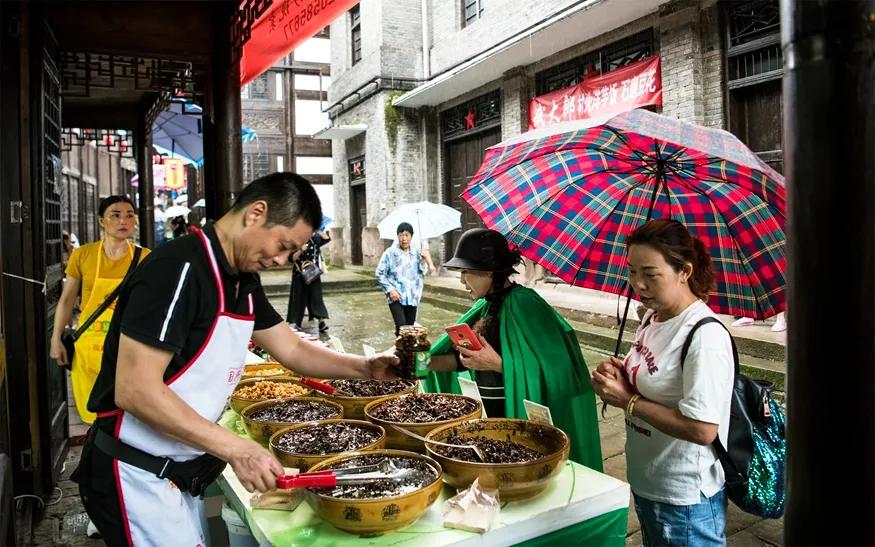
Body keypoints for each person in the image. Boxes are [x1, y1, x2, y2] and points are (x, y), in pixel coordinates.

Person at [73, 173, 399, 545]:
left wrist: (364, 367)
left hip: (176, 469)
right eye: (283, 245)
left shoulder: (242, 279)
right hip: (135, 472)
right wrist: (236, 448)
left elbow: (291, 349)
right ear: (256, 213)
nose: (280, 260)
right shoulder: (178, 268)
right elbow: (135, 389)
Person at [591, 219, 733, 546]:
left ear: (684, 271)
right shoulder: (652, 318)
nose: (638, 284)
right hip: (648, 480)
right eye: (631, 271)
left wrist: (628, 400)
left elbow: (702, 429)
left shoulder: (704, 337)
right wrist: (620, 376)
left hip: (684, 499)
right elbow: (653, 378)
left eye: (651, 274)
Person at [425, 228, 603, 470]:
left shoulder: (527, 305)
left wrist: (496, 364)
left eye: (466, 272)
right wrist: (418, 362)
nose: (461, 280)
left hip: (521, 425)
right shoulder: (485, 307)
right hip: (491, 420)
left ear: (489, 271)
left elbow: (558, 372)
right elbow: (459, 360)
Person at [50, 196, 151, 426]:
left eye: (129, 215)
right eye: (115, 215)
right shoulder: (83, 255)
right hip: (88, 348)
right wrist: (56, 339)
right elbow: (67, 300)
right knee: (92, 417)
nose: (123, 221)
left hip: (127, 348)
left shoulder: (145, 257)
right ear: (101, 221)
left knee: (126, 418)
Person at [375, 222, 433, 335]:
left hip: (412, 297)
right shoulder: (390, 253)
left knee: (409, 330)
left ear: (411, 236)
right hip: (396, 297)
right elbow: (379, 273)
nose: (404, 238)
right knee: (401, 327)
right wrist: (390, 290)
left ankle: (402, 346)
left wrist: (424, 260)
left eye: (407, 235)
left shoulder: (416, 253)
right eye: (401, 235)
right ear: (397, 236)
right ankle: (399, 345)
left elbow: (422, 272)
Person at [287, 230, 331, 332]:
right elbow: (291, 258)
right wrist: (300, 250)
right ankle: (297, 323)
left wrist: (317, 229)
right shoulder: (294, 241)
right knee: (300, 298)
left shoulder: (314, 239)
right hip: (299, 274)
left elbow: (326, 238)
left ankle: (321, 322)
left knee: (316, 298)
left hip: (312, 273)